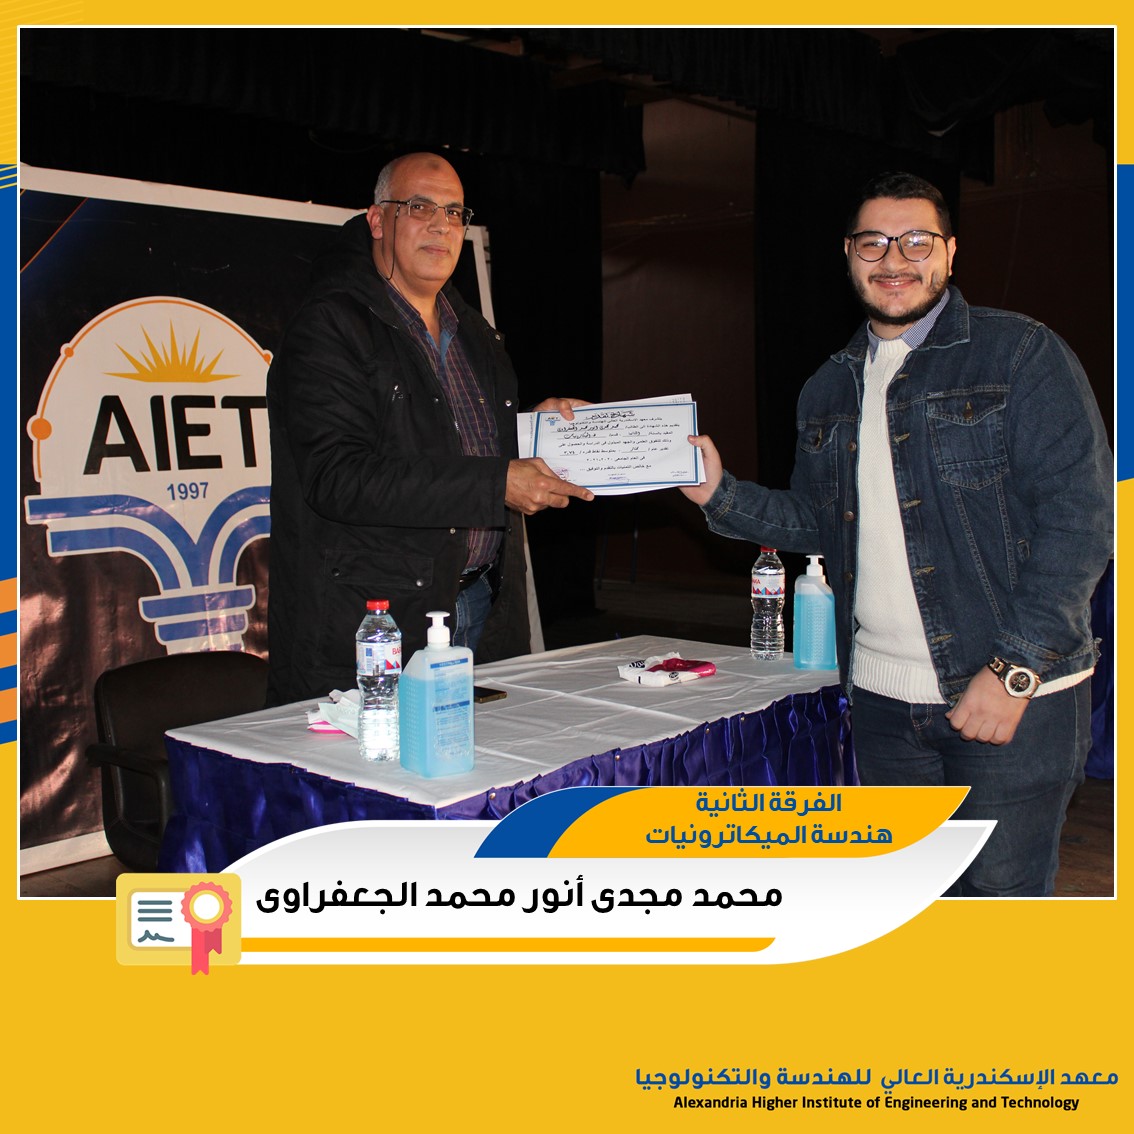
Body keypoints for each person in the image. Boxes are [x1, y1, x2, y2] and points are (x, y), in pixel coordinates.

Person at [682, 171, 1112, 897]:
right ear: (849, 254)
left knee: (1001, 923)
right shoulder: (827, 386)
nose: (894, 260)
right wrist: (716, 492)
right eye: (874, 243)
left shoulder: (1020, 354)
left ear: (950, 252)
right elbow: (819, 522)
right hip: (881, 704)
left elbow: (1082, 520)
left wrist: (1014, 671)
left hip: (1009, 696)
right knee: (911, 911)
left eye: (916, 241)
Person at [266, 152, 593, 706]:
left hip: (481, 605)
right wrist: (496, 484)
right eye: (420, 207)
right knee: (384, 763)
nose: (442, 225)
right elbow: (337, 477)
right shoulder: (330, 324)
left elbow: (454, 443)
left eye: (455, 212)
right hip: (383, 622)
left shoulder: (473, 331)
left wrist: (537, 433)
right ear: (378, 219)